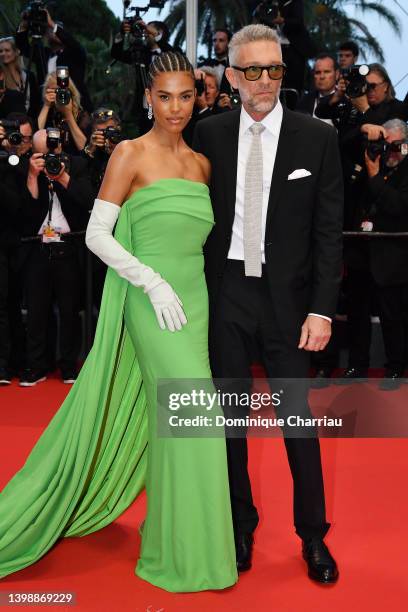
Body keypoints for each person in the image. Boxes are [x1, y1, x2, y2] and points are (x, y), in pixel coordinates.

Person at [0, 51, 237, 593]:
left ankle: (180, 543)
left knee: (184, 426)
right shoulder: (129, 153)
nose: (175, 108)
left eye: (185, 96)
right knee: (194, 420)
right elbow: (100, 236)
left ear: (196, 97)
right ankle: (185, 554)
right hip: (151, 301)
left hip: (193, 304)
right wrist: (151, 282)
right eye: (164, 96)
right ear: (148, 97)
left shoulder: (201, 164)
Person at [193, 24, 343, 582]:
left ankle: (313, 537)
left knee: (298, 428)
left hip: (289, 305)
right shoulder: (207, 135)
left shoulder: (316, 137)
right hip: (226, 295)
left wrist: (322, 310)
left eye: (274, 69)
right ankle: (240, 526)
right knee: (229, 424)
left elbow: (330, 234)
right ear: (232, 76)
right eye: (252, 70)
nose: (264, 81)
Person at [0, 36, 40, 121]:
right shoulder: (1, 76)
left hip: (29, 126)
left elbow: (35, 104)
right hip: (6, 125)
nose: (3, 53)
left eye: (7, 50)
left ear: (16, 52)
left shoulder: (29, 76)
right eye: (0, 51)